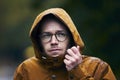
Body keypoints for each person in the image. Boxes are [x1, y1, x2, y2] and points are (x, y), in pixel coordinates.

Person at [13, 8, 116, 80]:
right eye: (46, 35)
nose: (53, 42)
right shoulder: (26, 69)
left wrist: (78, 72)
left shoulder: (96, 67)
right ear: (38, 40)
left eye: (61, 34)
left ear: (71, 37)